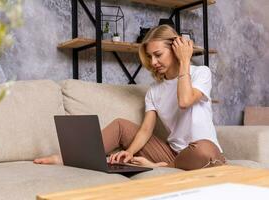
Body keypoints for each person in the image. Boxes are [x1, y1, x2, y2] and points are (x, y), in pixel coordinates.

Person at [34, 25, 225, 170]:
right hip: (172, 153)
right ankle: (68, 158)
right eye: (149, 57)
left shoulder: (201, 73)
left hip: (202, 153)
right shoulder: (154, 91)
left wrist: (184, 60)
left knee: (203, 149)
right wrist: (129, 152)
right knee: (121, 126)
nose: (153, 62)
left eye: (158, 55)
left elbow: (184, 101)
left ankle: (162, 167)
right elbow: (145, 130)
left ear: (176, 49)